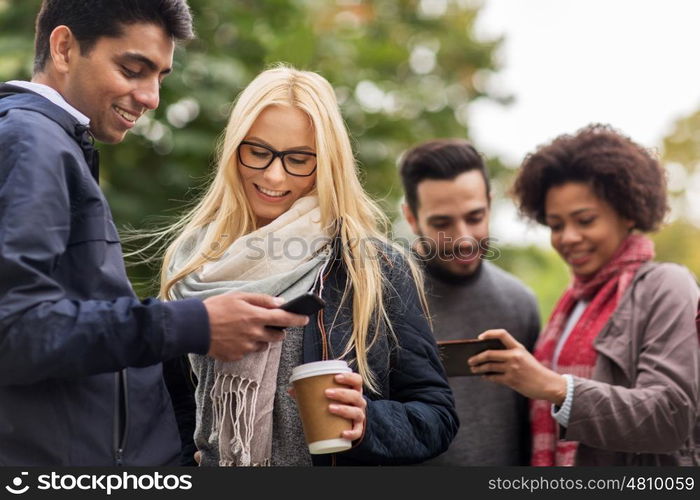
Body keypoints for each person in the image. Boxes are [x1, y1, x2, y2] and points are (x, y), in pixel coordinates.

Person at [0, 0, 308, 466]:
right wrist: (193, 324)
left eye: (159, 77)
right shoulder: (32, 142)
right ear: (64, 48)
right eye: (132, 69)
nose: (150, 98)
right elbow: (15, 329)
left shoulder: (58, 142)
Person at [161, 65, 459, 466]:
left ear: (327, 164)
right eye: (258, 151)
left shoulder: (372, 267)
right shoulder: (192, 264)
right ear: (234, 149)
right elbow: (177, 409)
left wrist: (367, 422)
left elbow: (437, 416)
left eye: (299, 159)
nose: (273, 174)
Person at [470, 124, 700, 466]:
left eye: (585, 220)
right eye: (556, 225)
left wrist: (557, 388)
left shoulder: (667, 286)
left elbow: (670, 416)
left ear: (628, 213)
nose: (569, 238)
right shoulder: (573, 303)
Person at [399, 139, 540, 465]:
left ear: (490, 205)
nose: (463, 238)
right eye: (442, 223)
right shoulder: (378, 301)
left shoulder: (519, 303)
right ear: (411, 217)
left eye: (475, 217)